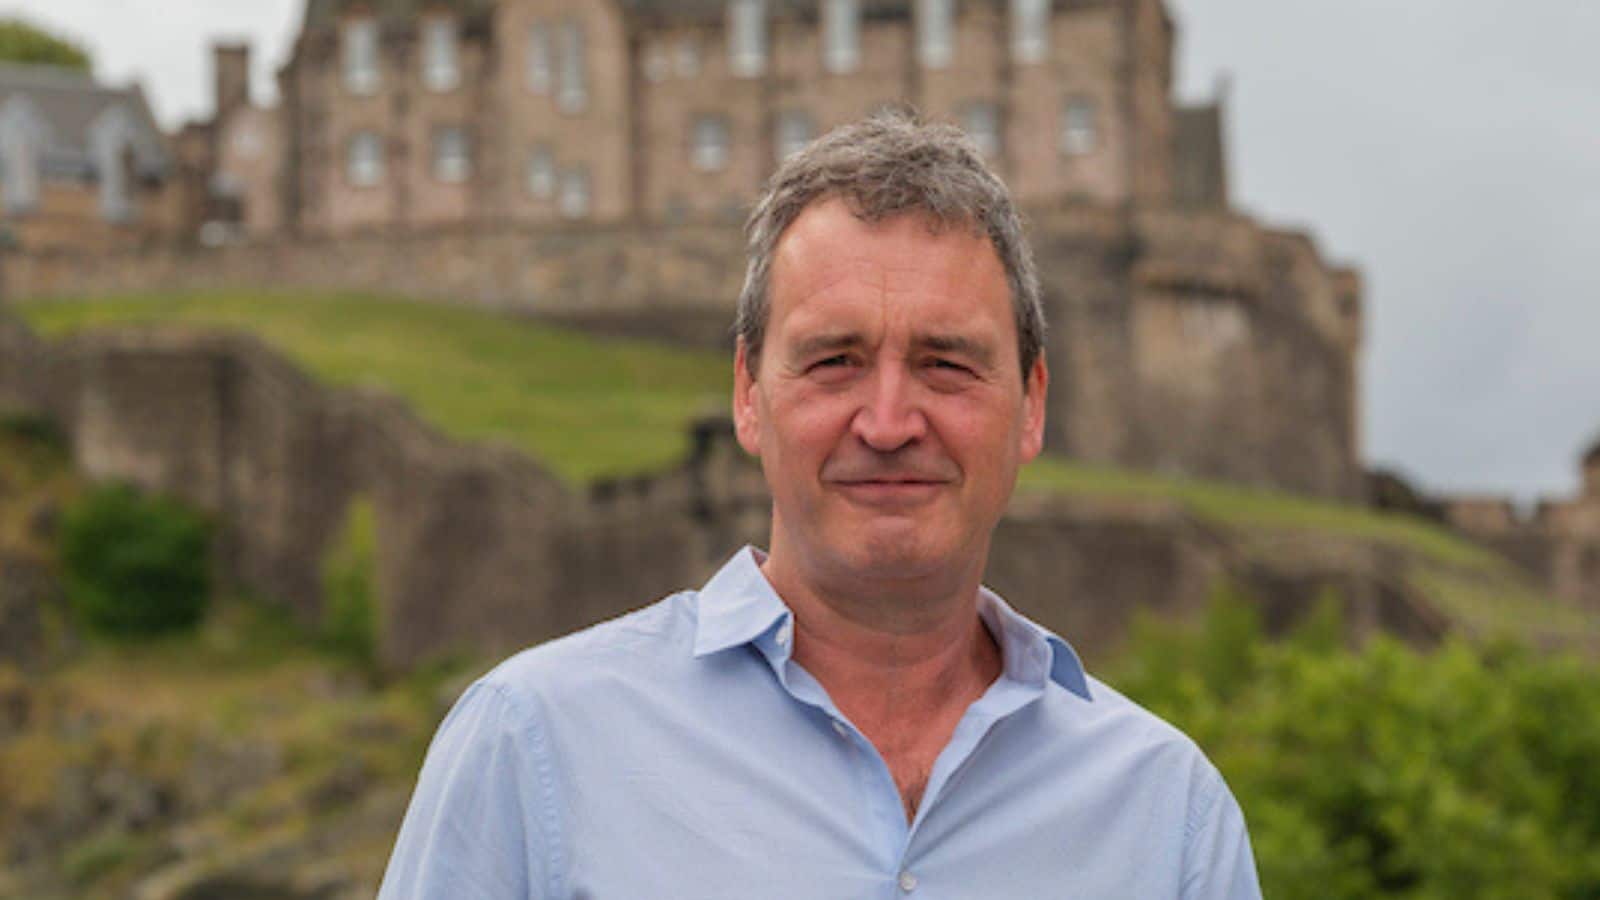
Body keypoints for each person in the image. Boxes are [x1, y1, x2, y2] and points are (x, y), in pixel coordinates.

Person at [378, 111, 1262, 899]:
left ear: (1031, 406)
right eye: (835, 361)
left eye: (946, 364)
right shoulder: (532, 748)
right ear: (748, 394)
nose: (888, 423)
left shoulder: (1167, 817)